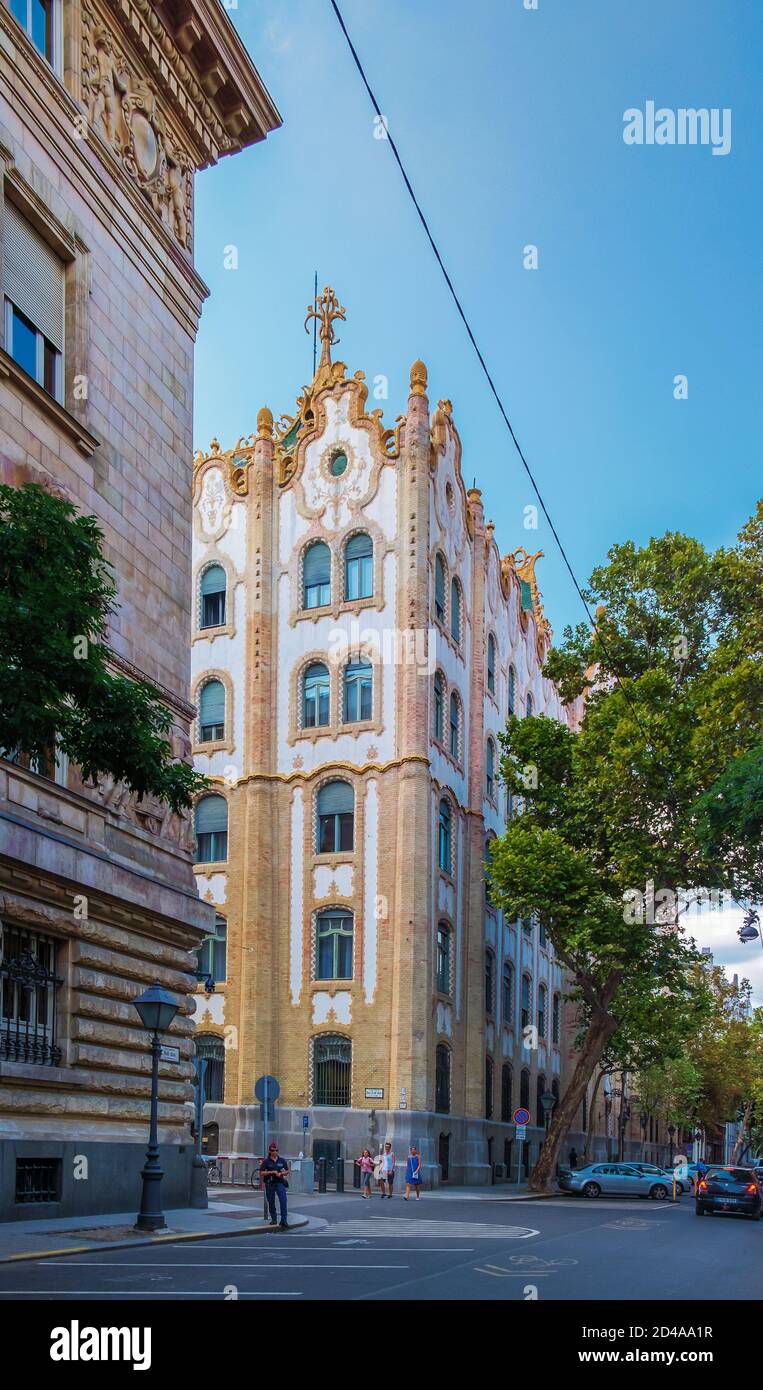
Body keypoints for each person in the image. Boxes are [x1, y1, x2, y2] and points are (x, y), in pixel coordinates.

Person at [259, 1141, 289, 1229]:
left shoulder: (281, 1160)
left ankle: (284, 1220)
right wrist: (271, 1172)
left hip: (279, 1182)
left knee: (283, 1200)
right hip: (270, 1183)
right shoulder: (266, 1161)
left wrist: (282, 1173)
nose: (275, 1152)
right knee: (271, 1202)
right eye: (273, 1150)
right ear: (270, 1151)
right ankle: (274, 1219)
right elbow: (261, 1173)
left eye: (276, 1150)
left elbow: (287, 1171)